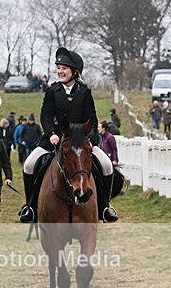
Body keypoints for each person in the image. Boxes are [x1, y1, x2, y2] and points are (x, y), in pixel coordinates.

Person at [19, 47, 117, 223]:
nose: (60, 71)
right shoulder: (52, 91)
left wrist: (90, 138)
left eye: (64, 68)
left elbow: (92, 118)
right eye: (58, 68)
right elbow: (46, 116)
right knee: (29, 164)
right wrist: (51, 134)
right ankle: (30, 207)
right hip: (55, 139)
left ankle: (104, 207)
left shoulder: (85, 92)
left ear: (74, 71)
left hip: (81, 141)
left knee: (106, 165)